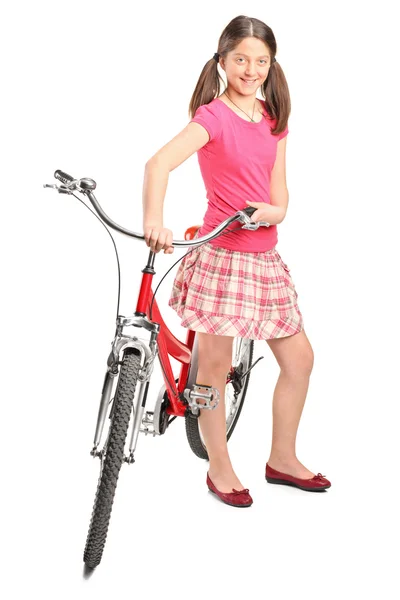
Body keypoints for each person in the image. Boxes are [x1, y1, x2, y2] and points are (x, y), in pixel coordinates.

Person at [142, 15, 331, 508]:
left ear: (272, 64)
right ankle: (219, 466)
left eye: (260, 60)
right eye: (241, 59)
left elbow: (279, 187)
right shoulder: (213, 117)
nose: (251, 69)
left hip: (264, 259)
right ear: (223, 61)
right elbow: (158, 164)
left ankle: (282, 458)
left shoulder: (274, 116)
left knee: (300, 358)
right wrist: (154, 221)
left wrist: (278, 210)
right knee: (215, 368)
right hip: (223, 257)